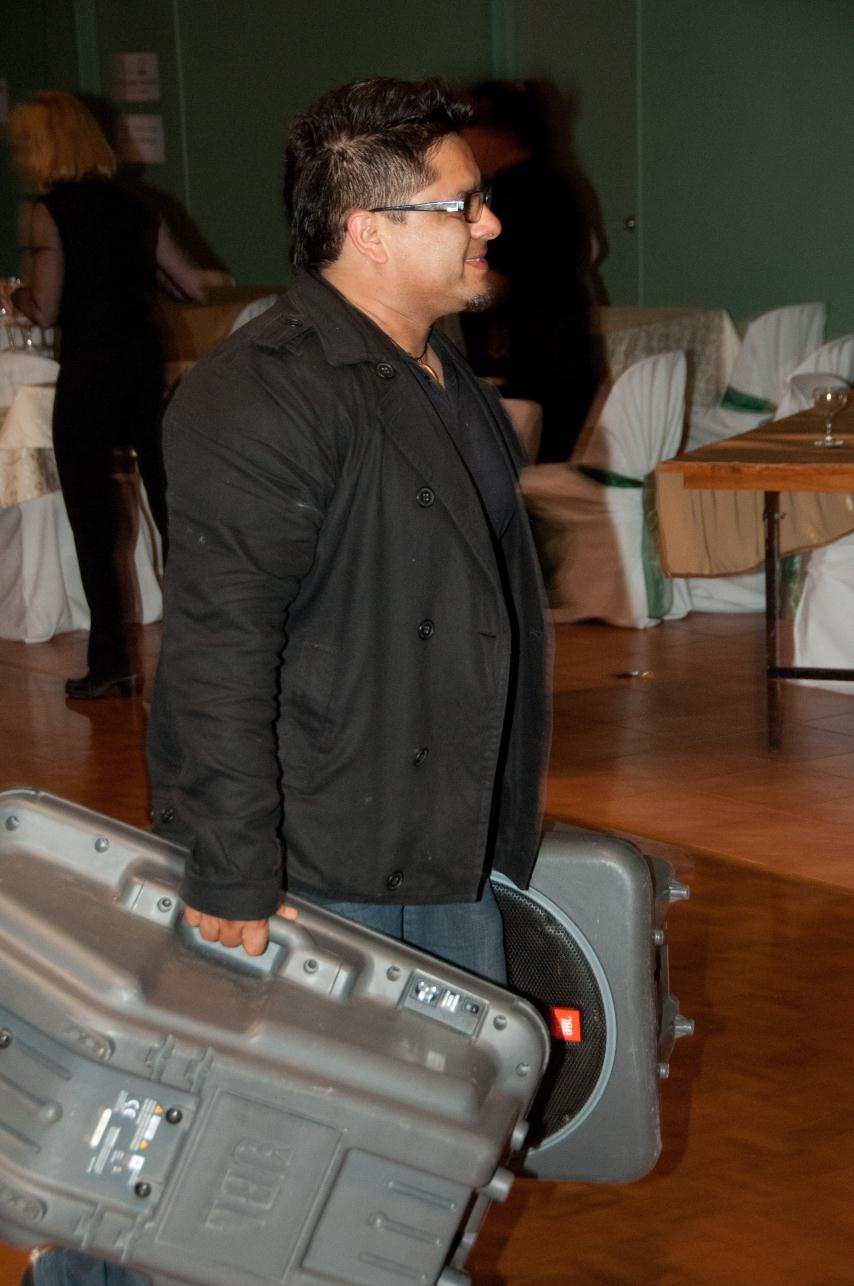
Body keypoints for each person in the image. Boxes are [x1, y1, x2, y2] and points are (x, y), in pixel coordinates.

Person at [21, 75, 550, 1286]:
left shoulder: (429, 367)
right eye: (461, 204)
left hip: (436, 839)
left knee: (411, 1158)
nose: (488, 222)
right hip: (321, 863)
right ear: (370, 229)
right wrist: (231, 868)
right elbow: (218, 648)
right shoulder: (261, 389)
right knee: (259, 1172)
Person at [5, 92, 231, 700]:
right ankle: (205, 651)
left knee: (94, 519)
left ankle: (111, 663)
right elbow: (191, 286)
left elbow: (45, 307)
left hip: (90, 368)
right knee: (169, 505)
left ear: (41, 147)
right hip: (142, 361)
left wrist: (14, 296)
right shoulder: (137, 205)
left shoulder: (47, 213)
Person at [460, 80, 603, 462]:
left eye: (468, 127)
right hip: (562, 361)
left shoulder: (517, 194)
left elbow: (496, 285)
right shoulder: (555, 181)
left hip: (531, 370)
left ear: (500, 133)